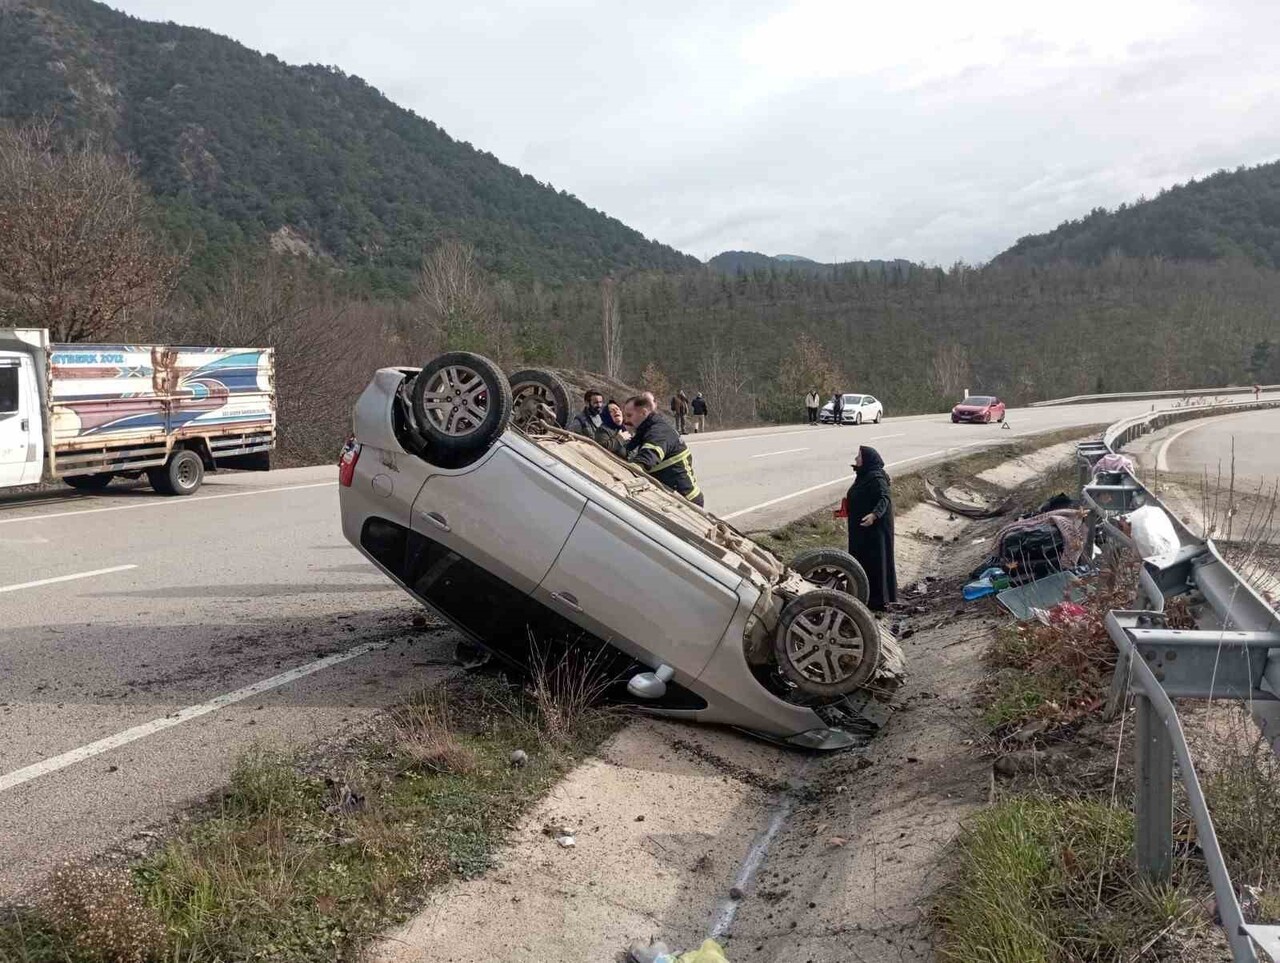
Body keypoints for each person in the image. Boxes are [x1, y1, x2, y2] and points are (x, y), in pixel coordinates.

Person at [623, 395, 703, 505]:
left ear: (643, 412)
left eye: (629, 415)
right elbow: (627, 448)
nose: (626, 420)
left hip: (686, 500)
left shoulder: (659, 431)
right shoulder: (646, 429)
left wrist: (625, 474)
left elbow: (647, 457)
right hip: (674, 496)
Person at [845, 445, 897, 611]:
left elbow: (884, 498)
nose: (855, 459)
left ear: (867, 460)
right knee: (861, 561)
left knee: (876, 562)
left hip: (874, 532)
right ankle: (863, 595)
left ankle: (877, 600)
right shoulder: (864, 475)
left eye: (858, 456)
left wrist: (874, 515)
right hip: (862, 531)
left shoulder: (876, 477)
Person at [569, 390, 624, 454]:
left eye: (601, 402)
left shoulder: (606, 416)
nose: (599, 405)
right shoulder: (579, 421)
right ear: (587, 403)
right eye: (596, 403)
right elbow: (571, 439)